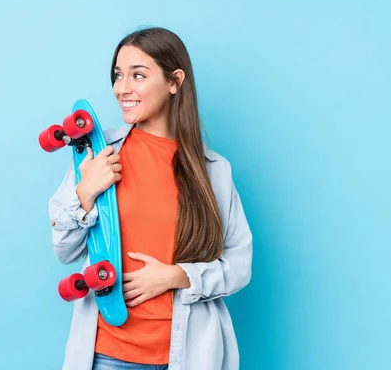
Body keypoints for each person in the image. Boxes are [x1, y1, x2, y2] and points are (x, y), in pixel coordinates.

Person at [48, 27, 253, 370]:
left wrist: (176, 276)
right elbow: (64, 250)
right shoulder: (97, 154)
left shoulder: (213, 171)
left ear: (174, 81)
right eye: (118, 75)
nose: (122, 89)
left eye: (138, 75)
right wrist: (86, 191)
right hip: (108, 356)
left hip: (188, 357)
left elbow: (238, 266)